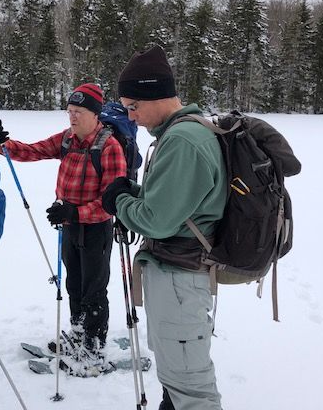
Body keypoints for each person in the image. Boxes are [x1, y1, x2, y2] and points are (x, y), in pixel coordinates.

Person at [102, 46, 227, 409]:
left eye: (133, 106)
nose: (131, 116)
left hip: (180, 280)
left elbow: (156, 220)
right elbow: (178, 202)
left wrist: (120, 202)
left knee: (192, 392)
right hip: (177, 278)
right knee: (177, 382)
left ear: (156, 94)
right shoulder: (183, 133)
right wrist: (134, 191)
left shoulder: (183, 141)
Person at [0, 83, 127, 372]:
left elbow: (112, 202)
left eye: (78, 112)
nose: (72, 117)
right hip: (69, 226)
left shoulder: (109, 147)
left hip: (96, 229)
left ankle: (94, 347)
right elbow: (34, 150)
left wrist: (76, 212)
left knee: (93, 289)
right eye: (69, 111)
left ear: (95, 114)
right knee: (73, 284)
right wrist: (3, 145)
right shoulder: (67, 140)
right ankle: (78, 334)